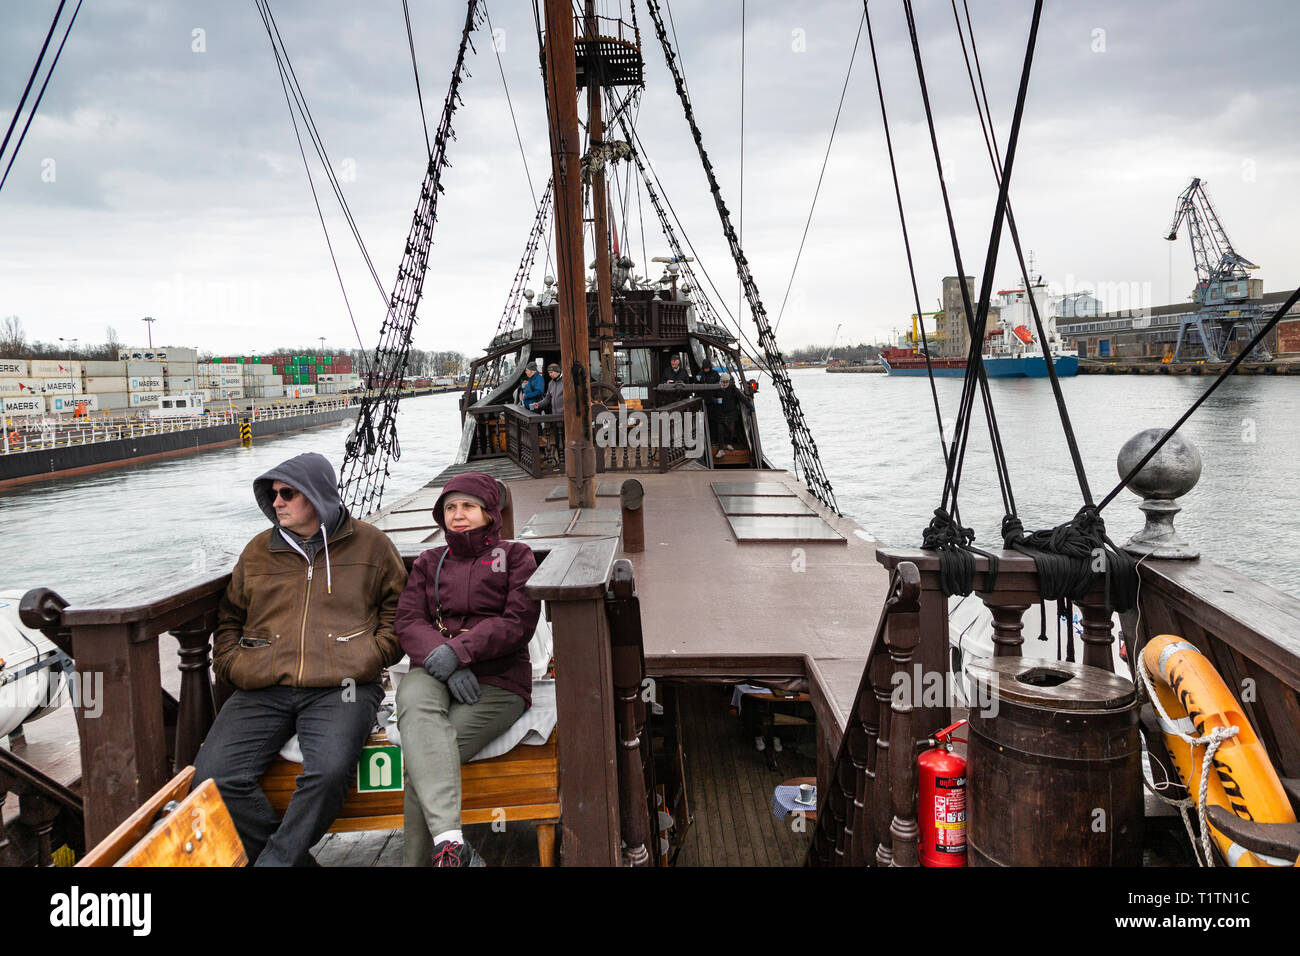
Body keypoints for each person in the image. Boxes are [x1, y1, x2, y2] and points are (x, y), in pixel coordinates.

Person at [194, 452, 408, 866]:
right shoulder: (258, 551)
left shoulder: (372, 544)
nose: (277, 503)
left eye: (287, 494)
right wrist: (235, 664)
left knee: (328, 774)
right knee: (213, 780)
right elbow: (230, 619)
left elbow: (397, 613)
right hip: (263, 686)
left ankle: (274, 862)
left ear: (317, 495)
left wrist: (368, 655)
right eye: (274, 494)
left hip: (342, 688)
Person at [394, 473, 540, 866]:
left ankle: (429, 855)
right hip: (434, 668)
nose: (458, 515)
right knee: (412, 695)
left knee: (422, 764)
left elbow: (517, 622)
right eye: (450, 508)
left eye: (468, 507)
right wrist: (443, 659)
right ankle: (451, 842)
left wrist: (460, 653)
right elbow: (408, 620)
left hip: (498, 680)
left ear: (489, 513)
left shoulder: (516, 556)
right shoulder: (429, 562)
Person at [716, 372, 750, 455]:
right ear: (721, 381)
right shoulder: (716, 388)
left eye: (726, 382)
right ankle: (720, 449)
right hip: (720, 412)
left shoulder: (732, 388)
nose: (725, 384)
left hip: (731, 412)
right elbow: (711, 397)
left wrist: (749, 406)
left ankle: (729, 444)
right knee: (720, 431)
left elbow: (741, 397)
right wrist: (715, 400)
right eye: (723, 382)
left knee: (731, 429)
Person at [695, 353, 721, 447]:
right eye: (704, 368)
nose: (706, 369)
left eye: (707, 368)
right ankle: (705, 439)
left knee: (713, 421)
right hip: (703, 401)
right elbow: (696, 384)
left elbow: (719, 385)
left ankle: (714, 439)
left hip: (713, 401)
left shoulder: (715, 374)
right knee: (703, 420)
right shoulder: (700, 374)